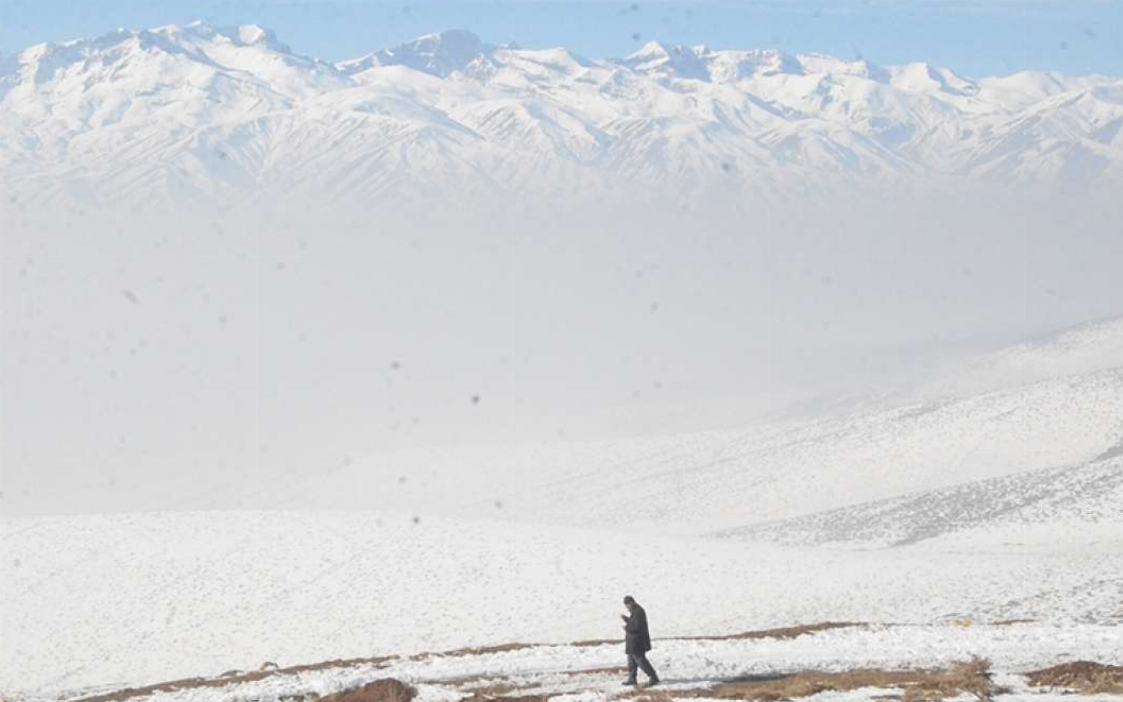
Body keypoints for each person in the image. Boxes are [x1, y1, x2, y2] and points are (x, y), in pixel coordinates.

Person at [620, 595, 659, 687]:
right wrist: (626, 619)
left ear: (631, 603)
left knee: (641, 660)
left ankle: (653, 677)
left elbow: (636, 627)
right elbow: (634, 622)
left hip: (637, 642)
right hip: (633, 642)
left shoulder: (638, 612)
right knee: (631, 661)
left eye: (627, 605)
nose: (627, 608)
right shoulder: (635, 611)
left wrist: (626, 627)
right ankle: (632, 678)